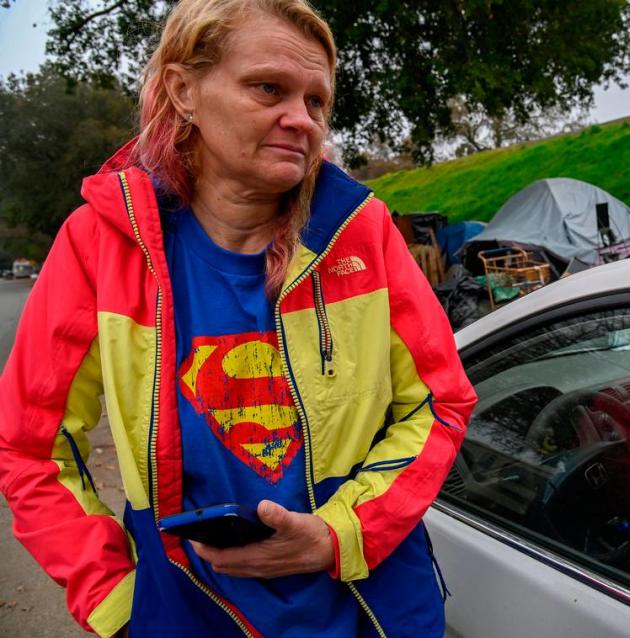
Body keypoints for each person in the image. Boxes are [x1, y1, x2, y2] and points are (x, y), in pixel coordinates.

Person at [0, 1, 476, 636]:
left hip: (375, 610)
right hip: (186, 614)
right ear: (183, 90)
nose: (301, 120)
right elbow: (30, 447)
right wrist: (120, 603)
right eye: (269, 88)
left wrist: (340, 535)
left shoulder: (363, 234)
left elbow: (440, 404)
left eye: (316, 102)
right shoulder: (103, 243)